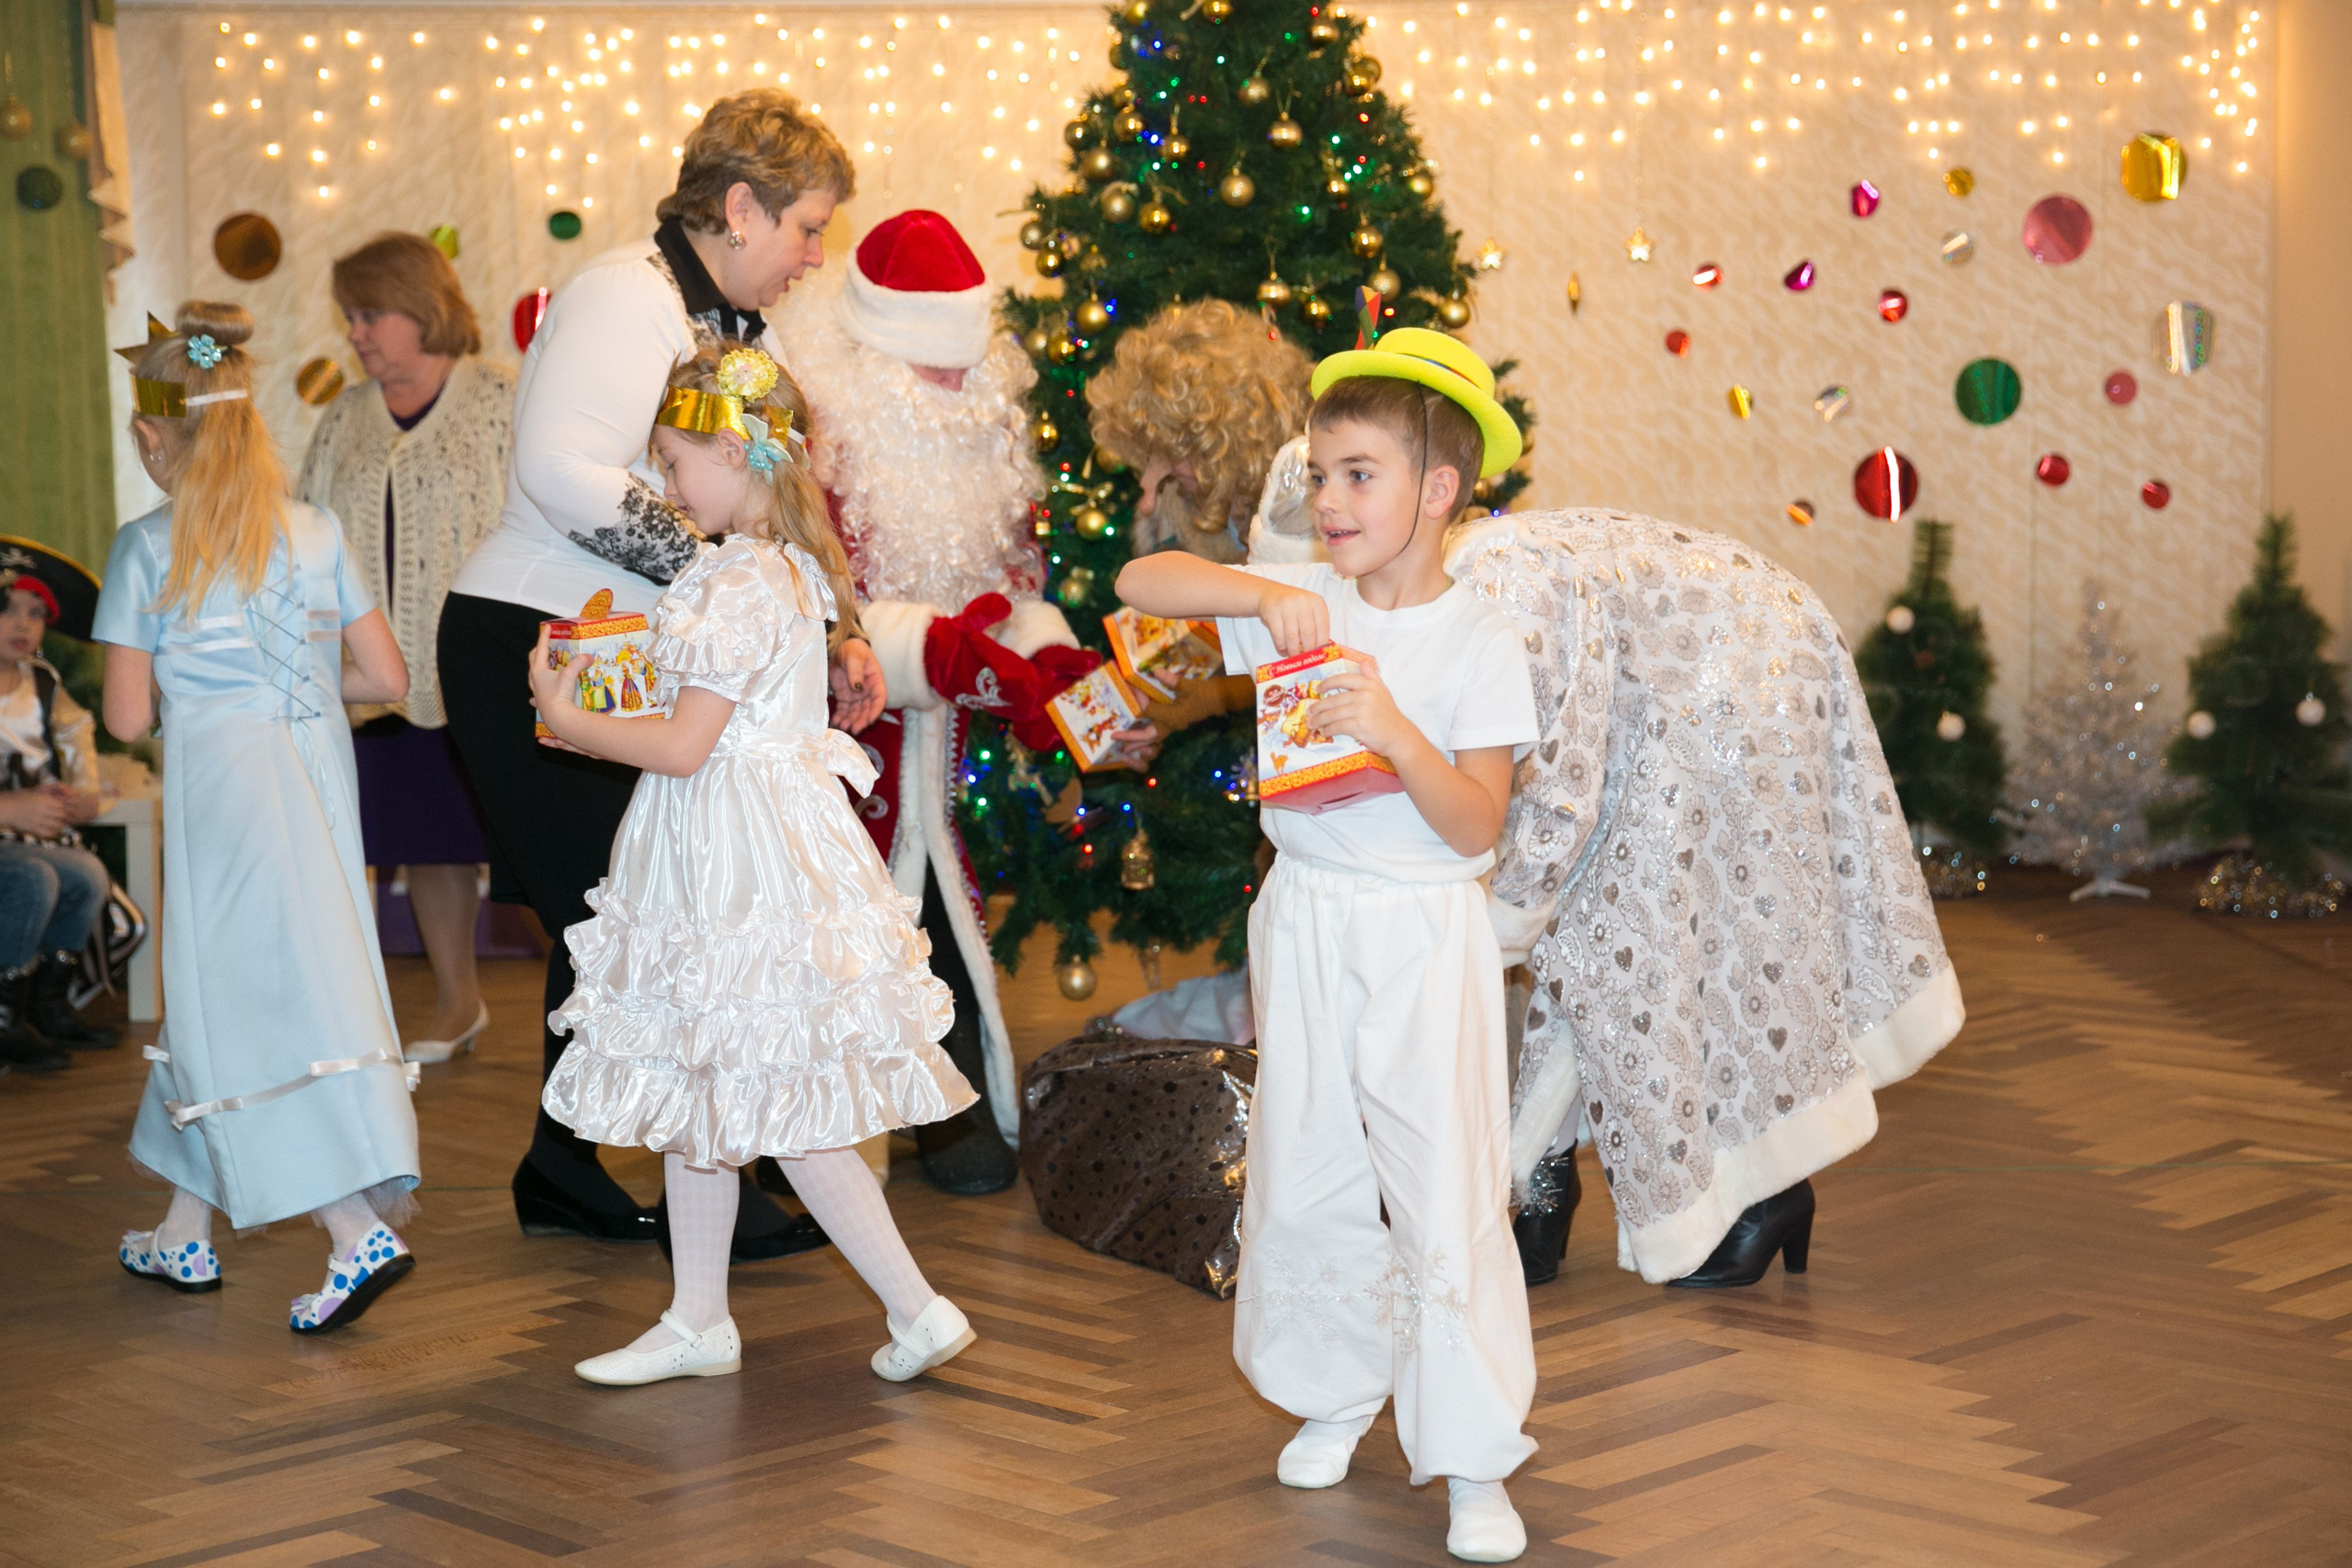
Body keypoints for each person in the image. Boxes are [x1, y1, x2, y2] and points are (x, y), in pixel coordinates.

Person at [1116, 328, 1539, 1563]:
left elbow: (1476, 824)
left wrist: (1398, 730)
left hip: (1419, 931)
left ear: (1439, 490)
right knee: (1307, 1161)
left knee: (1440, 1180)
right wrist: (1260, 589)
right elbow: (1143, 590)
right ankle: (1338, 1388)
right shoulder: (1306, 607)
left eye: (1361, 473)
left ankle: (1468, 1450)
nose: (1331, 498)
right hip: (1304, 914)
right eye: (1321, 473)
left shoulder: (1480, 639)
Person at [439, 88, 880, 1258]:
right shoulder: (625, 298)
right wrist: (711, 578)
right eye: (807, 226)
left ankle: (569, 1166)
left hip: (622, 648)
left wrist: (829, 629)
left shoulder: (738, 334)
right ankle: (676, 1176)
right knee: (621, 911)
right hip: (534, 639)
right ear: (740, 209)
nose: (814, 254)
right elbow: (559, 470)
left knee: (628, 908)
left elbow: (775, 502)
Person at [534, 343, 978, 1387]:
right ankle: (697, 1316)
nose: (663, 483)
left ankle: (917, 1307)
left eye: (674, 460)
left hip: (729, 855)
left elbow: (687, 745)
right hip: (736, 841)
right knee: (709, 1087)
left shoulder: (737, 576)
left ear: (734, 451)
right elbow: (707, 721)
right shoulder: (780, 567)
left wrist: (565, 718)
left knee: (774, 1099)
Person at [1454, 504, 1966, 1290]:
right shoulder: (1455, 580)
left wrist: (1506, 916)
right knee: (1622, 946)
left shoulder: (1488, 579)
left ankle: (1758, 1190)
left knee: (1646, 944)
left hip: (1728, 677)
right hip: (1710, 664)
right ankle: (1550, 1195)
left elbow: (1555, 784)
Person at [94, 301, 424, 1332]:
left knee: (240, 1004)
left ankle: (349, 1228)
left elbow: (128, 712)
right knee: (284, 983)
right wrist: (306, 693)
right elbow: (390, 677)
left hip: (223, 796)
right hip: (316, 784)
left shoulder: (148, 547)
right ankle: (184, 1228)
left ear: (155, 437)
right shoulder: (316, 531)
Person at [771, 209, 1099, 1193]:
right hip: (832, 761)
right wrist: (932, 651)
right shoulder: (819, 453)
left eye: (967, 371)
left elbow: (1013, 581)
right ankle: (812, 1142)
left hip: (935, 769)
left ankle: (940, 1115)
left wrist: (1054, 662)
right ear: (878, 368)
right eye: (935, 374)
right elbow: (811, 614)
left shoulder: (986, 443)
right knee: (833, 940)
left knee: (930, 915)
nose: (959, 396)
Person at [299, 232, 514, 1064]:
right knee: (403, 832)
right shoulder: (344, 417)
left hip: (471, 662)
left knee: (478, 836)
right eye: (349, 316)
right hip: (364, 670)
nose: (355, 332)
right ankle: (439, 1004)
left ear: (421, 309)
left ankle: (570, 1008)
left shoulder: (498, 399)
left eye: (369, 314)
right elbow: (307, 524)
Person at [0, 543, 118, 1069]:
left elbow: (76, 730)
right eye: (6, 608)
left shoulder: (41, 685)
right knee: (33, 878)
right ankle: (4, 1017)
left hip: (21, 834)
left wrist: (83, 789)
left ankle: (46, 1003)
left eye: (36, 613)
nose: (21, 624)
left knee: (87, 874)